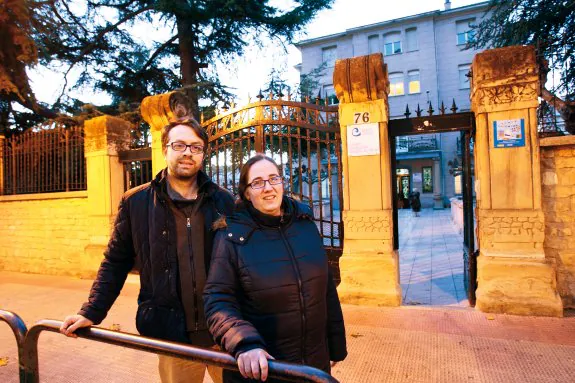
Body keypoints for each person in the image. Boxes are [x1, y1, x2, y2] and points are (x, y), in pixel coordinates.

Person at [59, 119, 235, 383]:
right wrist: (91, 312)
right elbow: (116, 261)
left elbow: (244, 263)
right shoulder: (136, 203)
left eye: (196, 147)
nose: (187, 152)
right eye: (179, 145)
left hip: (226, 334)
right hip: (175, 339)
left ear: (203, 153)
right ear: (165, 149)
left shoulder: (225, 201)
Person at [204, 154, 347, 382]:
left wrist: (336, 345)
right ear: (247, 193)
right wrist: (245, 343)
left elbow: (325, 289)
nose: (268, 188)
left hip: (313, 365)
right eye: (258, 182)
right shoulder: (231, 235)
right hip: (265, 368)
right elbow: (218, 299)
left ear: (283, 182)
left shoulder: (305, 224)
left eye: (274, 179)